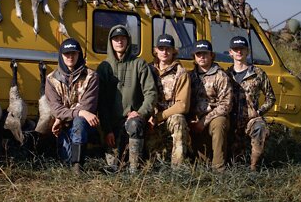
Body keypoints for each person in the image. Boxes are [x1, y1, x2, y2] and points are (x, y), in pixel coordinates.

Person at [96, 24, 157, 173]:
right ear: (111, 42)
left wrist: (141, 112)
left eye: (122, 38)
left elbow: (151, 93)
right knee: (113, 167)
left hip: (132, 119)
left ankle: (134, 169)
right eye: (116, 39)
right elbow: (101, 101)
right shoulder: (104, 67)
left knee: (134, 125)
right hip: (112, 122)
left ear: (128, 41)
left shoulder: (139, 64)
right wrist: (107, 129)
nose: (119, 42)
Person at [45, 38, 100, 174]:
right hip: (64, 125)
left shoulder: (91, 77)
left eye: (74, 53)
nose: (70, 57)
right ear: (61, 55)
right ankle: (73, 156)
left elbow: (88, 107)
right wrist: (64, 116)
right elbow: (57, 109)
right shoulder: (51, 79)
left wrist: (67, 115)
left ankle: (78, 167)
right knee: (67, 158)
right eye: (67, 54)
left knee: (80, 122)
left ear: (79, 54)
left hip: (84, 126)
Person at [226, 36, 276, 171]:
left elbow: (271, 98)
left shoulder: (258, 73)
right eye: (235, 49)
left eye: (242, 49)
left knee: (260, 128)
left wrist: (258, 112)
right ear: (230, 52)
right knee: (234, 160)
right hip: (231, 119)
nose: (239, 52)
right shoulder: (226, 75)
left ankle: (254, 167)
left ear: (247, 51)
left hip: (250, 119)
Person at [147, 34, 191, 168]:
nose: (164, 52)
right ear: (156, 50)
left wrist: (159, 117)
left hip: (169, 117)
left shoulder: (181, 73)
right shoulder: (148, 70)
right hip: (150, 119)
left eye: (168, 49)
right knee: (151, 161)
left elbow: (182, 105)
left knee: (179, 120)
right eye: (161, 48)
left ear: (173, 51)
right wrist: (148, 116)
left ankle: (178, 170)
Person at [188, 40, 232, 172]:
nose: (202, 57)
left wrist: (204, 121)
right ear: (194, 57)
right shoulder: (190, 76)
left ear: (211, 55)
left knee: (220, 122)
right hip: (194, 119)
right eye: (198, 54)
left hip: (213, 118)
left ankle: (219, 169)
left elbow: (226, 104)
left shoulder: (221, 76)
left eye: (205, 54)